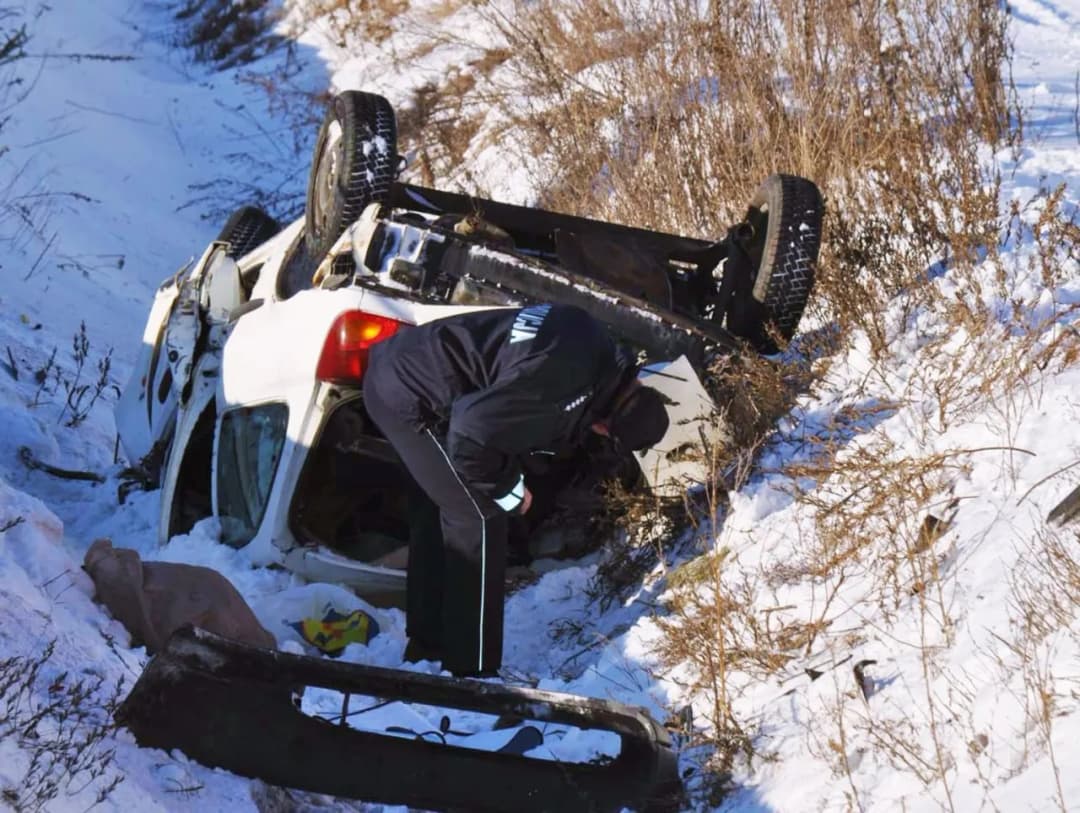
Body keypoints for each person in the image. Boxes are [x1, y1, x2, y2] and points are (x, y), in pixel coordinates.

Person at [363, 303, 670, 677]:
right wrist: (511, 491)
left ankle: (427, 647)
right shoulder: (561, 392)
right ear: (606, 428)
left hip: (404, 364)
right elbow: (470, 436)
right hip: (411, 396)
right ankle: (472, 671)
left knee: (441, 505)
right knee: (478, 515)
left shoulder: (597, 344)